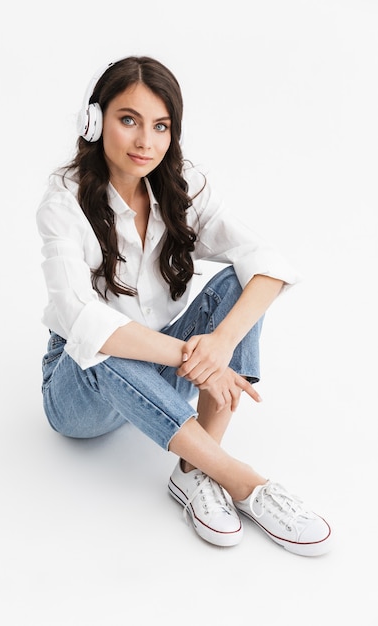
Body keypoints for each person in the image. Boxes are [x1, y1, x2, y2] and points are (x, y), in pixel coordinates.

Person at [36, 55, 331, 557]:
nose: (144, 141)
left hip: (162, 363)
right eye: (128, 120)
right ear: (94, 120)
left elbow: (269, 263)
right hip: (80, 391)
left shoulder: (181, 187)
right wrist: (195, 361)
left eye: (160, 126)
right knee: (103, 335)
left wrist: (219, 344)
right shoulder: (63, 203)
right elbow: (80, 319)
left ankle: (195, 471)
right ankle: (242, 482)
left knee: (237, 285)